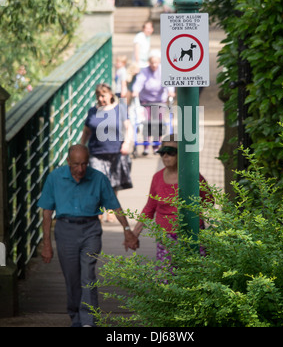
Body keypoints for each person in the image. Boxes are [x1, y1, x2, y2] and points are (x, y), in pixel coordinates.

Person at [38, 144, 139, 327]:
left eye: (84, 164)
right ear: (68, 162)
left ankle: (88, 321)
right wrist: (46, 244)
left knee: (88, 275)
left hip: (90, 229)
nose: (81, 169)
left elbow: (114, 205)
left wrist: (127, 231)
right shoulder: (55, 178)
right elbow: (46, 211)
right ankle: (75, 316)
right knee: (72, 278)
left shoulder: (98, 178)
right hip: (65, 230)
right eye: (76, 164)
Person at [132, 136, 213, 263]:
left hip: (192, 234)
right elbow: (150, 207)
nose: (165, 156)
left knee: (195, 274)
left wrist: (192, 212)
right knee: (167, 277)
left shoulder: (193, 176)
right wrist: (134, 234)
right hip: (166, 238)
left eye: (171, 152)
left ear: (181, 154)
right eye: (162, 152)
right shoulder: (157, 178)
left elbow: (209, 201)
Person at [80, 83, 133, 221]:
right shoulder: (92, 111)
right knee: (97, 182)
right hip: (96, 152)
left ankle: (110, 209)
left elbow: (128, 127)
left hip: (115, 151)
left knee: (113, 183)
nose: (101, 98)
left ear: (110, 95)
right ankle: (99, 209)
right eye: (98, 96)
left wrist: (127, 143)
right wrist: (81, 147)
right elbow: (86, 131)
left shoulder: (119, 109)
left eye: (103, 95)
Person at [132, 52, 175, 155]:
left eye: (156, 62)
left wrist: (170, 91)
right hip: (146, 100)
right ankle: (146, 145)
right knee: (147, 122)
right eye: (152, 63)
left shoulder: (163, 70)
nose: (154, 65)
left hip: (160, 100)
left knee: (158, 122)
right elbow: (139, 82)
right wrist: (136, 90)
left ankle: (156, 145)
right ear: (149, 63)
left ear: (159, 62)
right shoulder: (144, 71)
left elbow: (168, 82)